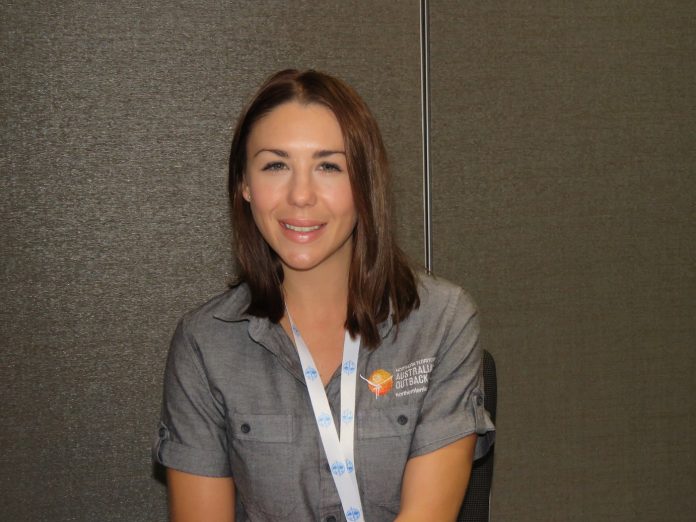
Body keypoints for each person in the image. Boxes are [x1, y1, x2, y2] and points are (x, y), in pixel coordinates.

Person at [153, 69, 495, 522]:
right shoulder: (205, 344)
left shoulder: (441, 321)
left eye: (328, 166)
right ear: (244, 185)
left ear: (365, 183)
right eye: (276, 165)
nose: (301, 195)